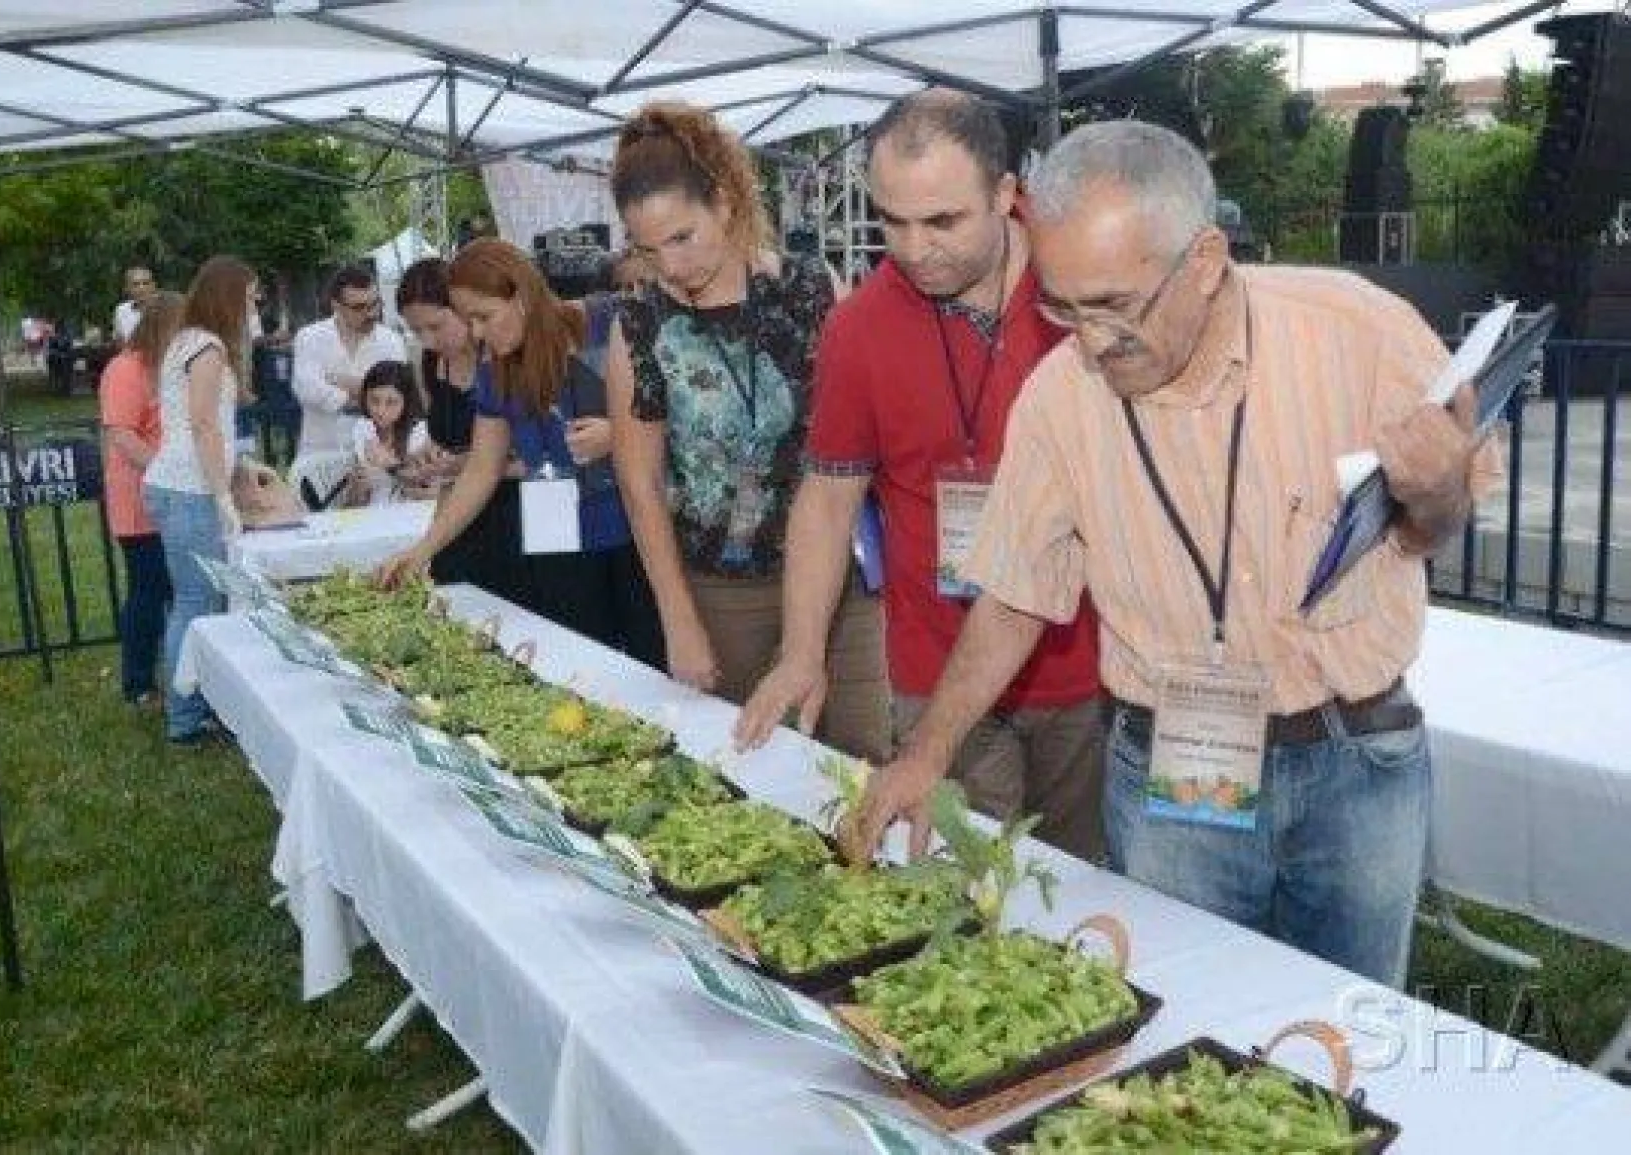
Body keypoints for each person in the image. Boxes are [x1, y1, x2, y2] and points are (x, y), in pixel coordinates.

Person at [856, 121, 1497, 987]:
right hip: (1174, 772)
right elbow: (1012, 593)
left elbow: (1431, 528)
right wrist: (925, 753)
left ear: (1203, 261)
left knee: (1348, 1043)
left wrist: (1440, 486)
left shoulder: (1362, 332)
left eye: (1116, 305)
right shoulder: (1059, 397)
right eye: (1063, 305)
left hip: (1356, 760)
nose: (1088, 340)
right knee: (1191, 1030)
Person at [733, 91, 1104, 857]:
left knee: (1080, 895)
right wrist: (803, 651)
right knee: (963, 900)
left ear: (1007, 195)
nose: (913, 248)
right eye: (890, 222)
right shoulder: (859, 325)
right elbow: (830, 497)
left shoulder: (1082, 295)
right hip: (934, 673)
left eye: (942, 221)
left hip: (1089, 668)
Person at [605, 101, 888, 761]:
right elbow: (639, 482)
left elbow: (854, 437)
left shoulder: (813, 288)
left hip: (833, 588)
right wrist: (678, 619)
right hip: (719, 596)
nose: (669, 266)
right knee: (741, 773)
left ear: (726, 203)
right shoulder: (639, 324)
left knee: (859, 761)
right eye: (648, 249)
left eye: (682, 237)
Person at [382, 240, 664, 669]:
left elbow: (681, 412)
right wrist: (424, 548)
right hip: (557, 545)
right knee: (577, 671)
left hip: (637, 533)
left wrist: (618, 434)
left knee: (654, 666)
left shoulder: (612, 322)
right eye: (468, 320)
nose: (477, 333)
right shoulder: (495, 371)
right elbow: (482, 466)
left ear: (522, 296)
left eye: (484, 316)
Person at [144, 256, 263, 745]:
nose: (255, 306)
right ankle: (186, 717)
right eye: (252, 296)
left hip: (175, 482)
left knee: (197, 599)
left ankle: (195, 706)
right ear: (230, 297)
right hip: (189, 489)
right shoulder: (208, 346)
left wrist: (240, 469)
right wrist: (222, 496)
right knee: (196, 601)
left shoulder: (185, 341)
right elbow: (203, 424)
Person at [391, 258, 529, 601]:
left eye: (435, 327)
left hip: (516, 515)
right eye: (416, 331)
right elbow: (445, 444)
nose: (427, 341)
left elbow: (532, 455)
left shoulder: (503, 357)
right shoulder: (431, 365)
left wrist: (462, 464)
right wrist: (429, 462)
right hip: (460, 516)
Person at [99, 289, 184, 706]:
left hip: (172, 496)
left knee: (172, 590)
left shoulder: (171, 368)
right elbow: (122, 433)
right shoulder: (125, 369)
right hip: (140, 500)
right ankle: (138, 683)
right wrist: (165, 471)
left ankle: (172, 675)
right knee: (148, 592)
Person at [290, 265, 407, 466]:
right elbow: (308, 390)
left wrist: (341, 382)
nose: (371, 313)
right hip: (320, 453)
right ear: (336, 305)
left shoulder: (392, 341)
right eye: (359, 307)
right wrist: (369, 396)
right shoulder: (310, 337)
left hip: (376, 458)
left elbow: (400, 393)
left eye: (375, 304)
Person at [350, 360, 430, 505]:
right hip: (373, 517)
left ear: (406, 402)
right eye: (374, 400)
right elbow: (357, 503)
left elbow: (422, 487)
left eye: (391, 402)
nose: (381, 411)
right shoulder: (362, 428)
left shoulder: (419, 431)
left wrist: (389, 464)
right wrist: (358, 489)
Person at [113, 265, 158, 346]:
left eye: (145, 283)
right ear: (127, 288)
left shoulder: (165, 308)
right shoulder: (122, 310)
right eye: (136, 284)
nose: (141, 288)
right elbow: (120, 342)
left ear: (153, 286)